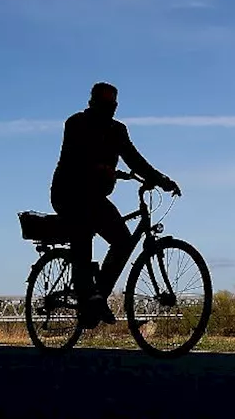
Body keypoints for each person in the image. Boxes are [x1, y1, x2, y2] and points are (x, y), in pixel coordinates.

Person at [50, 82, 180, 328]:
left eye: (113, 103)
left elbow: (135, 159)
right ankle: (89, 294)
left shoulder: (118, 131)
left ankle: (97, 295)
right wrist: (100, 168)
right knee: (84, 229)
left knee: (122, 241)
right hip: (68, 193)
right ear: (92, 102)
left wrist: (161, 180)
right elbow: (74, 157)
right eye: (105, 102)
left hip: (95, 197)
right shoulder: (76, 123)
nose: (110, 108)